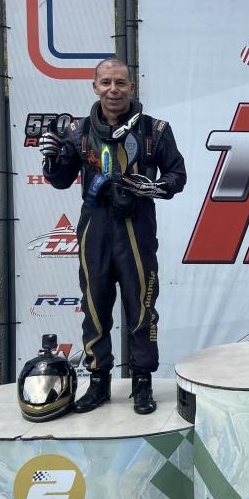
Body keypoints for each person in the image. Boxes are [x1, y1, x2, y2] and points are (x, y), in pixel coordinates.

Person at [40, 58, 186, 414]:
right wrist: (51, 160)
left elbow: (177, 175)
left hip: (136, 222)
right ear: (95, 87)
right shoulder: (77, 131)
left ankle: (142, 383)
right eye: (106, 83)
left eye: (120, 83)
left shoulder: (155, 129)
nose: (113, 90)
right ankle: (98, 382)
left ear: (132, 87)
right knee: (94, 305)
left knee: (142, 306)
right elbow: (61, 180)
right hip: (95, 224)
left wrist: (154, 187)